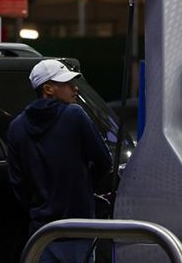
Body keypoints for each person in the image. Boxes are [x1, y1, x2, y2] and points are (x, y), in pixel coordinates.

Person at [7, 59, 113, 263]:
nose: (74, 88)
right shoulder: (74, 115)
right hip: (77, 226)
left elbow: (18, 183)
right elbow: (104, 161)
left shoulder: (16, 127)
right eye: (66, 83)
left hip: (41, 232)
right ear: (48, 88)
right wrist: (84, 186)